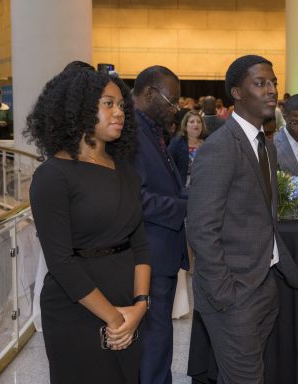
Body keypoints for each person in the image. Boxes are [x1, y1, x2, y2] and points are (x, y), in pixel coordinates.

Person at [26, 65, 150, 383]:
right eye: (108, 103)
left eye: (121, 105)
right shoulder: (53, 175)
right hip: (76, 310)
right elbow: (61, 261)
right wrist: (113, 317)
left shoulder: (126, 172)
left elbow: (140, 246)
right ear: (79, 109)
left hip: (127, 306)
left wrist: (139, 307)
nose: (119, 112)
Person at [186, 54, 298, 384]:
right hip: (233, 294)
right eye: (260, 83)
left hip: (263, 283)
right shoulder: (220, 147)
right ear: (236, 92)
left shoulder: (265, 145)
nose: (271, 90)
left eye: (274, 83)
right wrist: (226, 293)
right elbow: (201, 228)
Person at [132, 65, 189, 384]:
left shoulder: (151, 128)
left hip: (162, 252)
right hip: (150, 253)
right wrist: (186, 207)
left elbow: (164, 182)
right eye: (173, 101)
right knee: (154, 344)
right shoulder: (132, 132)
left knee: (158, 342)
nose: (176, 108)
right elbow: (138, 199)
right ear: (150, 93)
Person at [169, 110, 209, 187]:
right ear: (185, 126)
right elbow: (169, 166)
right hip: (183, 188)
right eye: (192, 122)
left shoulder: (207, 142)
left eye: (199, 121)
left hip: (204, 187)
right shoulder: (177, 142)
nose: (196, 124)